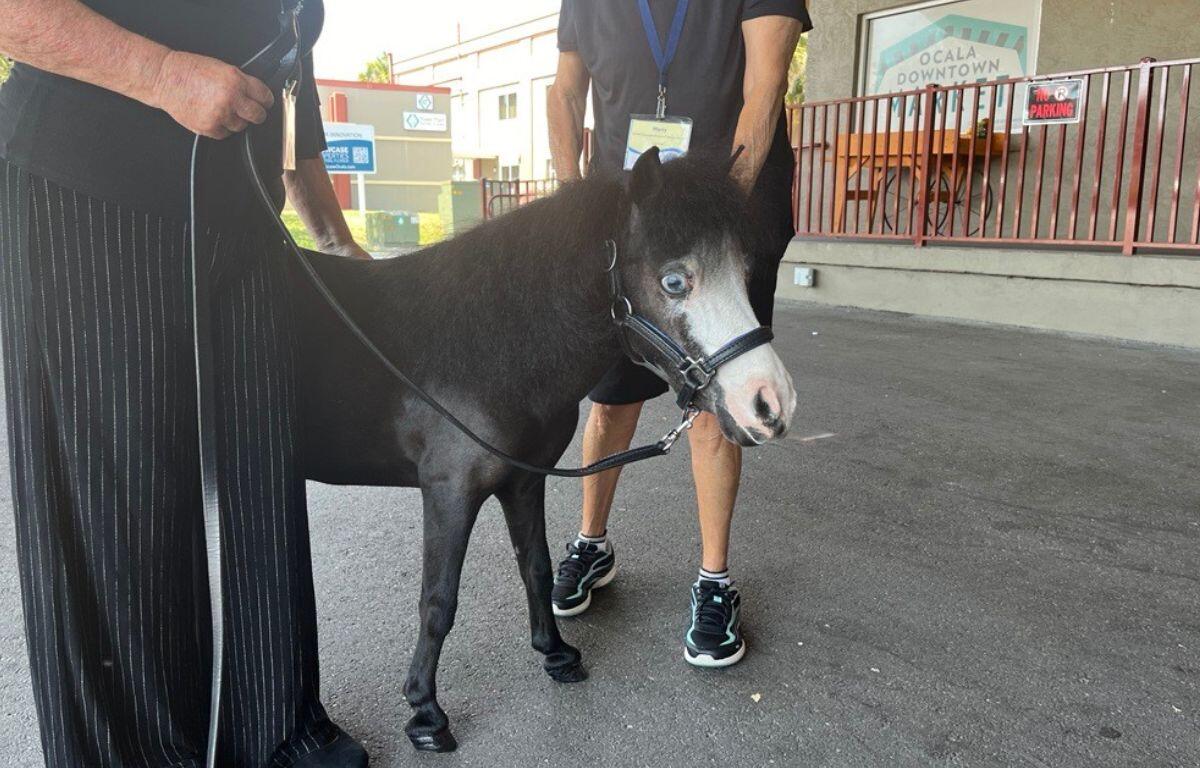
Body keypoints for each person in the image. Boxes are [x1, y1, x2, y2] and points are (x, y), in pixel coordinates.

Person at [0, 0, 369, 765]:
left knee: (259, 482)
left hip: (247, 213)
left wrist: (340, 247)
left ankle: (273, 727)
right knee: (124, 502)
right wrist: (161, 73)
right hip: (94, 188)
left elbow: (293, 93)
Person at [546, 0, 810, 668]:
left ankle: (714, 580)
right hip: (628, 223)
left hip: (724, 216)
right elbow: (565, 92)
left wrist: (716, 221)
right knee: (611, 400)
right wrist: (575, 201)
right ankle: (591, 543)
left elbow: (765, 87)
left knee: (713, 407)